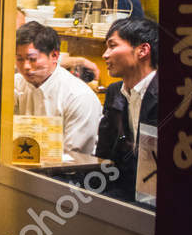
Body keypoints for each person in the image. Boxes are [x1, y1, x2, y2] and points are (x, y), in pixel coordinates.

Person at [96, 15, 160, 202]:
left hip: (157, 198)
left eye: (112, 45)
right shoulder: (115, 91)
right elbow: (105, 152)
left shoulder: (167, 92)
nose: (105, 54)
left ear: (142, 50)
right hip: (123, 189)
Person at [13, 21, 102, 156]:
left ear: (54, 56)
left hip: (66, 173)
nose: (25, 66)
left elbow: (73, 156)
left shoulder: (78, 96)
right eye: (19, 59)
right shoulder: (15, 84)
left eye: (32, 59)